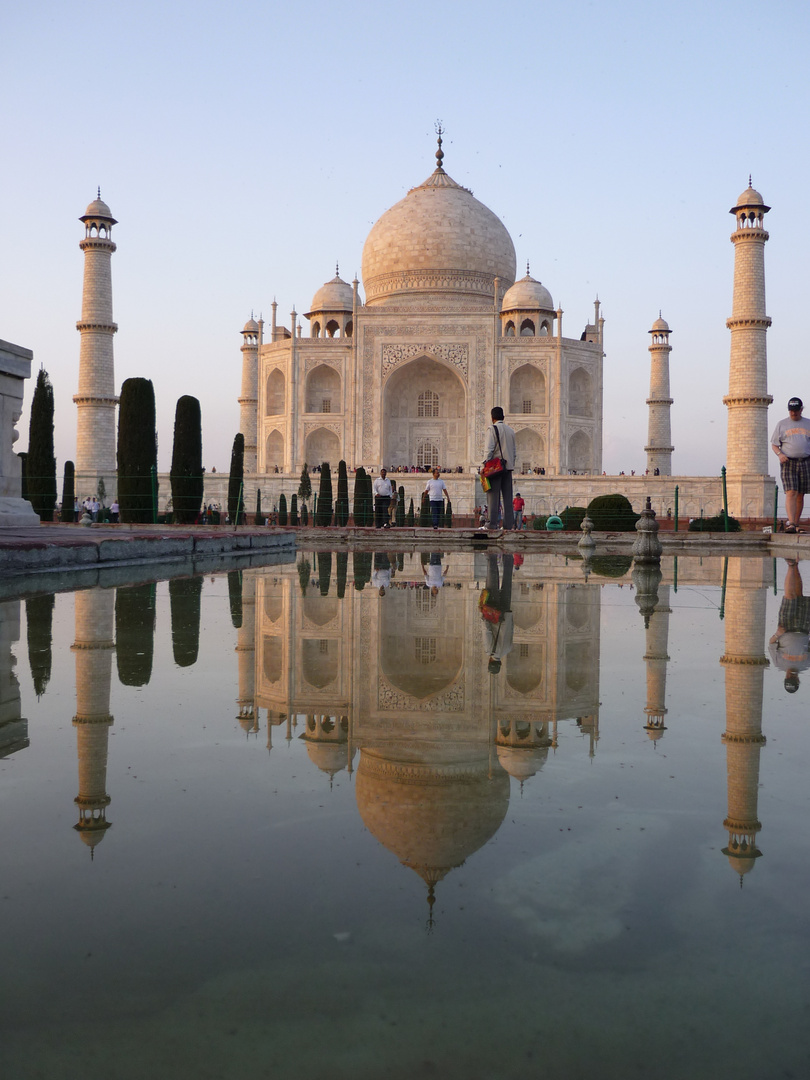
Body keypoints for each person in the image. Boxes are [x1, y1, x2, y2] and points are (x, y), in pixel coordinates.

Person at [769, 559, 810, 692]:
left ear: (785, 678)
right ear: (798, 680)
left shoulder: (778, 663)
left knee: (790, 596)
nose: (791, 675)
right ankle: (795, 564)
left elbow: (771, 643)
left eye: (789, 678)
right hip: (805, 626)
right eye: (793, 679)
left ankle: (790, 564)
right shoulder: (806, 664)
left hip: (785, 626)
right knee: (799, 595)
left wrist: (778, 633)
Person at [771, 397, 810, 532]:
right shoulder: (782, 424)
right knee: (791, 491)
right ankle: (791, 523)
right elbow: (775, 444)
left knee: (801, 493)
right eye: (791, 411)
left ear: (801, 409)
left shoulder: (808, 423)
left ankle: (796, 524)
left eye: (796, 411)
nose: (793, 413)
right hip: (788, 462)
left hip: (805, 461)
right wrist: (780, 454)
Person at [480, 406, 516, 532]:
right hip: (508, 468)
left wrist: (483, 466)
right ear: (503, 417)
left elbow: (489, 450)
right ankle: (508, 525)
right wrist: (510, 465)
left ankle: (492, 524)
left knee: (493, 496)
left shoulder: (492, 429)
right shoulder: (511, 431)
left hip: (495, 469)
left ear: (492, 417)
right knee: (507, 497)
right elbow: (514, 452)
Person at [479, 552, 514, 673]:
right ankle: (492, 557)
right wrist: (483, 615)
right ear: (490, 661)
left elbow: (511, 629)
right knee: (492, 581)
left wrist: (508, 615)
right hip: (494, 613)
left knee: (507, 581)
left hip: (506, 612)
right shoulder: (490, 651)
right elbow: (487, 631)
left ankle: (508, 556)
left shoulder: (508, 649)